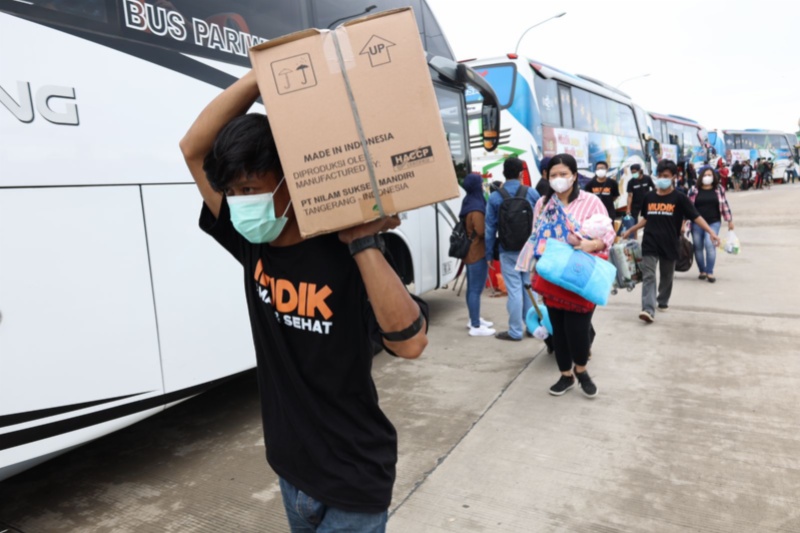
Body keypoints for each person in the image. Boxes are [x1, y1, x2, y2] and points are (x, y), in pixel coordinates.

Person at [179, 70, 429, 532]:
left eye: (251, 190)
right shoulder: (250, 241)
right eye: (232, 192)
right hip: (290, 469)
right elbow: (192, 148)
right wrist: (263, 75)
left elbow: (410, 343)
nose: (239, 203)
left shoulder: (348, 249)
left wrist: (362, 240)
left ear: (289, 183)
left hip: (352, 478)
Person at [521, 154, 615, 398]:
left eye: (563, 174)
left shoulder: (592, 202)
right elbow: (536, 236)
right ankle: (565, 376)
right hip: (552, 275)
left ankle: (581, 370)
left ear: (574, 176)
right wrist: (532, 267)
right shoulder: (542, 203)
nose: (558, 179)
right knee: (558, 330)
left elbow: (609, 234)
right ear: (546, 177)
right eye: (553, 175)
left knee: (578, 329)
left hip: (580, 275)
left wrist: (591, 245)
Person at [622, 159, 720, 323]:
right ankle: (647, 309)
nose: (662, 178)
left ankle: (663, 301)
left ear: (674, 177)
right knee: (649, 276)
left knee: (667, 276)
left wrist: (711, 231)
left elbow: (695, 216)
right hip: (650, 241)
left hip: (669, 242)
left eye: (666, 176)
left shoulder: (679, 198)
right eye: (660, 175)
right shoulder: (650, 196)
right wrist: (632, 229)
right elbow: (646, 218)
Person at [485, 156, 541, 341]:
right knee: (528, 288)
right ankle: (532, 327)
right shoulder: (531, 193)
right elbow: (541, 222)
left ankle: (515, 331)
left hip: (507, 250)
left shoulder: (494, 197)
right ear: (520, 174)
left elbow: (490, 228)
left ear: (503, 173)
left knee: (514, 290)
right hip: (528, 249)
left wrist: (488, 253)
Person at [460, 173, 495, 336]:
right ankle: (475, 325)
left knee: (471, 289)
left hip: (469, 252)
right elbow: (481, 231)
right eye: (480, 184)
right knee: (476, 289)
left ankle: (474, 318)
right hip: (477, 252)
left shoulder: (468, 202)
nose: (482, 186)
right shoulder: (477, 208)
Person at [688, 166, 734, 282]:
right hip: (696, 223)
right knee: (698, 247)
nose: (707, 177)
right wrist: (683, 223)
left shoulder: (719, 189)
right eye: (705, 175)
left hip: (714, 222)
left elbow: (724, 205)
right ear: (700, 176)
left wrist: (730, 221)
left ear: (713, 177)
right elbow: (687, 207)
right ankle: (702, 270)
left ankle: (710, 272)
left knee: (710, 245)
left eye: (709, 175)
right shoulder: (694, 190)